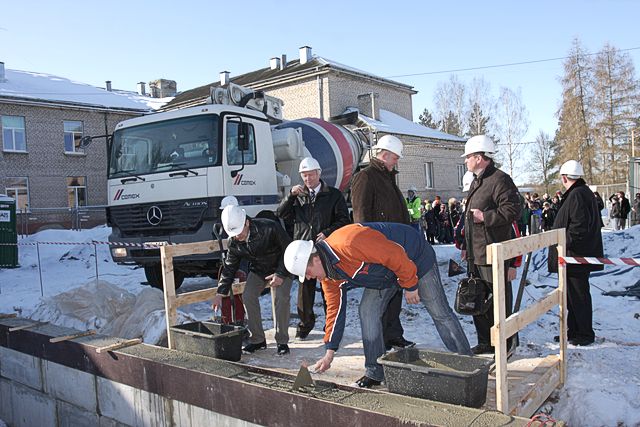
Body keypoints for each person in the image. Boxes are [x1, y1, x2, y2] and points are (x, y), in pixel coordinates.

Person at [283, 223, 472, 388]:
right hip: (384, 275)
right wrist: (330, 351)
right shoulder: (329, 276)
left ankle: (467, 363)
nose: (308, 278)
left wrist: (411, 285)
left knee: (439, 311)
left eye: (306, 272)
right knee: (367, 311)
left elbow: (395, 254)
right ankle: (374, 371)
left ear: (315, 258)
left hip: (414, 257)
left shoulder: (350, 242)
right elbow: (335, 310)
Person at [350, 135, 414, 351]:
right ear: (384, 155)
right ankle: (379, 341)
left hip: (395, 248)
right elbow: (361, 216)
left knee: (395, 293)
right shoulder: (366, 177)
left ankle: (393, 335)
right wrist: (368, 249)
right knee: (379, 298)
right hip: (378, 249)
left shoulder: (388, 178)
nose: (396, 162)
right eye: (395, 158)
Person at [276, 157, 350, 340]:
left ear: (318, 173)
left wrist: (327, 232)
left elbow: (344, 221)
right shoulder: (298, 196)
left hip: (325, 249)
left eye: (310, 175)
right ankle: (305, 324)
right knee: (304, 292)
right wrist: (290, 196)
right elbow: (280, 214)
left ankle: (330, 324)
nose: (308, 179)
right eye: (304, 175)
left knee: (328, 287)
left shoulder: (333, 195)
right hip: (303, 249)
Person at [462, 135, 521, 355]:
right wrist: (466, 248)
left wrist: (485, 217)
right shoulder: (478, 181)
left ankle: (504, 344)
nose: (466, 161)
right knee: (476, 298)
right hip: (476, 254)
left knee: (498, 301)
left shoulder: (500, 180)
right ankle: (485, 341)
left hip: (493, 253)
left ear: (479, 157)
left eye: (468, 157)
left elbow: (512, 211)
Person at [213, 205, 293, 355]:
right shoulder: (234, 242)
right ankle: (258, 340)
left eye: (239, 232)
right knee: (248, 296)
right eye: (234, 234)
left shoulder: (270, 227)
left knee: (281, 299)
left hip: (282, 266)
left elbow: (289, 250)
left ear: (247, 222)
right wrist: (220, 293)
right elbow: (229, 268)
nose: (237, 237)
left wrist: (280, 274)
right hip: (259, 269)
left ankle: (282, 341)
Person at [553, 160, 603, 346]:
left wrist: (562, 244)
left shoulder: (578, 195)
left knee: (579, 296)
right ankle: (573, 331)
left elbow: (578, 227)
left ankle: (584, 333)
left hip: (575, 256)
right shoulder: (580, 193)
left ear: (565, 177)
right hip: (573, 256)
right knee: (572, 297)